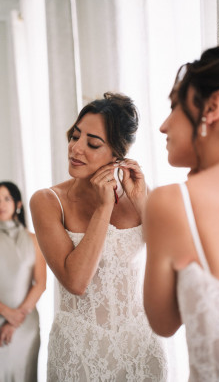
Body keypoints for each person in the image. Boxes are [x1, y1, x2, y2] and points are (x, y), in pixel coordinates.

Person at [30, 92, 171, 381]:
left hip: (140, 347)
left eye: (92, 143)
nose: (75, 148)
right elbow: (76, 281)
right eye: (75, 136)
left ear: (118, 155)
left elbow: (172, 262)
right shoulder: (47, 201)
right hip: (80, 352)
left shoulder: (140, 194)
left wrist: (143, 201)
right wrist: (104, 207)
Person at [143, 31, 219, 381]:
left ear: (213, 107)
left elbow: (163, 323)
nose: (164, 124)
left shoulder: (174, 203)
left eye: (175, 105)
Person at [0, 181, 46, 382]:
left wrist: (16, 318)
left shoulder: (34, 239)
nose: (1, 204)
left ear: (18, 203)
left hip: (25, 325)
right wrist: (6, 313)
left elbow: (41, 283)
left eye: (6, 198)